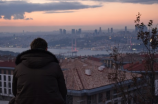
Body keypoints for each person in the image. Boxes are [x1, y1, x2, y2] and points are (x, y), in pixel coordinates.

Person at [11, 38, 67, 104]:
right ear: (46, 49)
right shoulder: (55, 67)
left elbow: (15, 91)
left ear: (31, 49)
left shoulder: (19, 68)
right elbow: (63, 91)